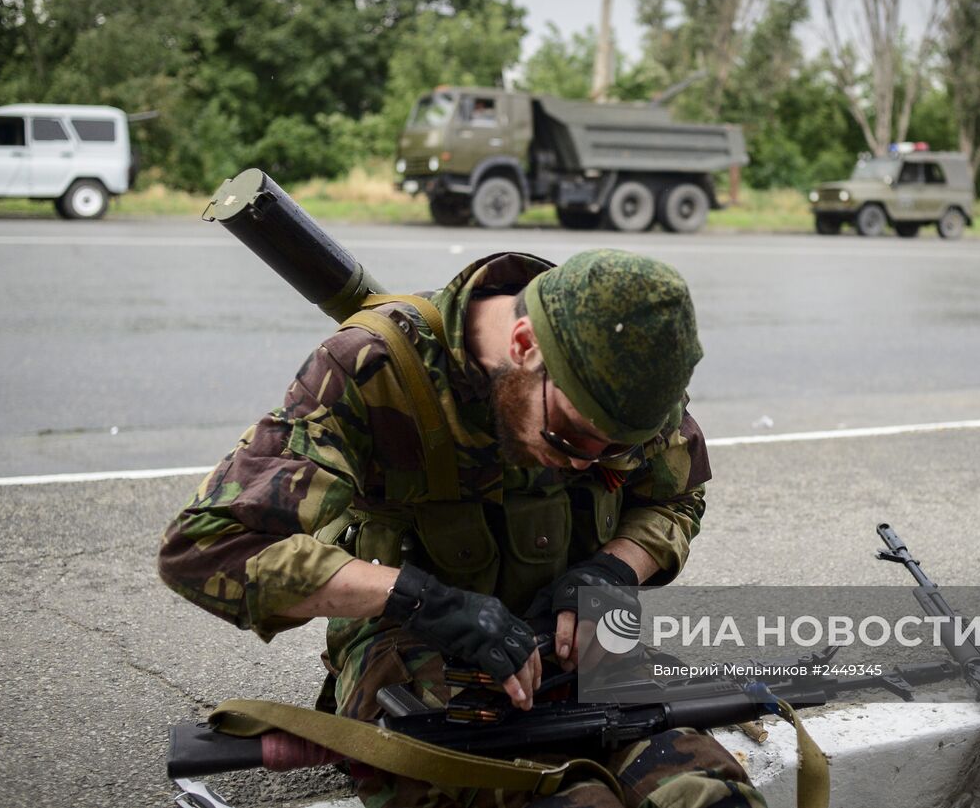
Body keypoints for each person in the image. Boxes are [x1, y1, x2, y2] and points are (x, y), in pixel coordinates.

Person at [158, 249, 761, 808]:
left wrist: (612, 570)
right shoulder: (372, 370)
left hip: (575, 645)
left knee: (711, 796)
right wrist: (420, 599)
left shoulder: (625, 378)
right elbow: (207, 546)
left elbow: (677, 497)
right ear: (524, 344)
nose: (585, 463)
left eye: (612, 451)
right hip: (415, 651)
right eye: (570, 437)